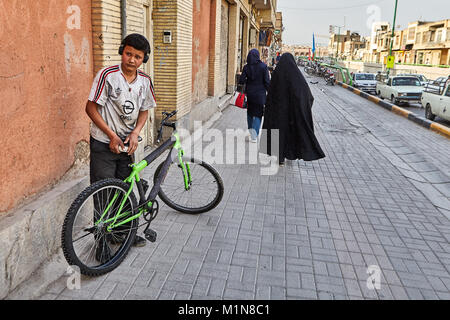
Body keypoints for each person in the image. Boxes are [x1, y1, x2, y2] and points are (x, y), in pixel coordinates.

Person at [85, 33, 156, 250]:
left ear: (144, 59)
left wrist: (135, 133)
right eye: (128, 54)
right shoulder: (107, 75)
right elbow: (90, 108)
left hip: (127, 146)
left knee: (125, 190)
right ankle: (101, 242)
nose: (132, 60)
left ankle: (123, 233)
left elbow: (144, 110)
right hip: (103, 144)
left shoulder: (145, 81)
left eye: (137, 56)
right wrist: (111, 135)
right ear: (121, 52)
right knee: (103, 193)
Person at [261, 53, 325, 166]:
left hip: (277, 112)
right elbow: (306, 94)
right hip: (290, 113)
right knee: (288, 134)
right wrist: (302, 107)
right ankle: (287, 154)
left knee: (277, 134)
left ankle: (279, 157)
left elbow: (271, 93)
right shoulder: (296, 75)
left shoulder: (277, 74)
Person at [238, 49, 270, 142]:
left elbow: (242, 80)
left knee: (250, 113)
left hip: (250, 94)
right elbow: (267, 82)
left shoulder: (246, 67)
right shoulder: (263, 67)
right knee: (258, 114)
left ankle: (251, 132)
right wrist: (270, 92)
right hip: (260, 95)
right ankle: (254, 136)